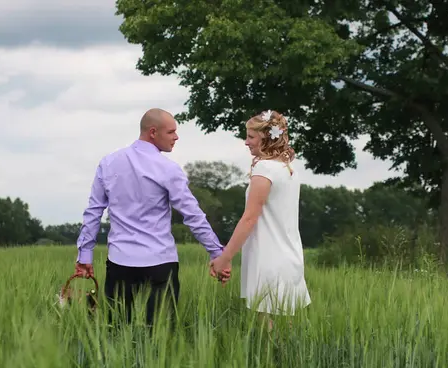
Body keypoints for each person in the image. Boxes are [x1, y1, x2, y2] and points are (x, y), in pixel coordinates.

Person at [74, 108, 231, 330]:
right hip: (160, 264)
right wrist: (217, 253)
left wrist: (85, 255)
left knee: (116, 335)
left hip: (120, 263)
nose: (176, 137)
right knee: (161, 337)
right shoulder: (168, 169)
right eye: (171, 132)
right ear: (153, 132)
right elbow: (192, 215)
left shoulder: (108, 163)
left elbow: (93, 212)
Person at [210, 110, 311, 329]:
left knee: (267, 329)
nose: (246, 142)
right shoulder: (288, 169)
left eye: (251, 137)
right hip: (289, 256)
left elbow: (249, 219)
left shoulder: (264, 169)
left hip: (268, 257)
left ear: (266, 137)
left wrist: (225, 258)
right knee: (287, 328)